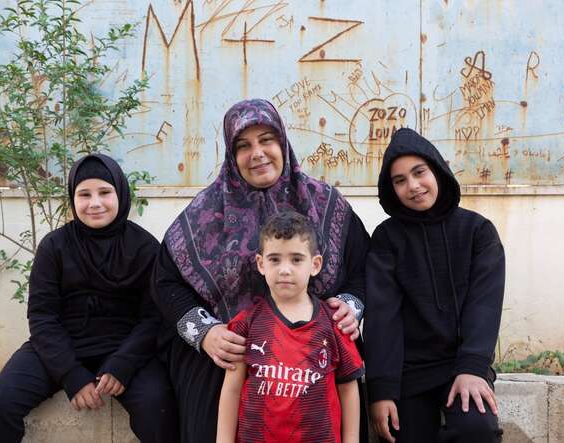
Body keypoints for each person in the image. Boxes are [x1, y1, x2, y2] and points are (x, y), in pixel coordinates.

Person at [152, 98, 369, 442]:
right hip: (230, 357)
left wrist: (351, 305)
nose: (257, 153)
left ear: (282, 142)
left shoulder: (325, 203)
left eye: (267, 139)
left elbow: (363, 266)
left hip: (315, 349)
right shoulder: (203, 214)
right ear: (230, 154)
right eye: (243, 145)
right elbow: (166, 284)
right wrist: (206, 334)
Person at [0, 154, 177, 443]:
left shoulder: (145, 248)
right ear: (73, 199)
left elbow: (154, 317)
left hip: (125, 347)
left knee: (158, 406)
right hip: (62, 345)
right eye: (84, 194)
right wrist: (71, 374)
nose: (95, 203)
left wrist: (124, 364)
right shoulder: (54, 246)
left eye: (105, 192)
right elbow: (43, 316)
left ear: (120, 193)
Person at [363, 128, 505, 443]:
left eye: (419, 172)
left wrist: (472, 367)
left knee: (476, 430)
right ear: (391, 188)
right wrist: (382, 390)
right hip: (408, 373)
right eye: (400, 181)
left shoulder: (478, 232)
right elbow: (383, 318)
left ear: (437, 170)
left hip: (461, 365)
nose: (413, 186)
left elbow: (485, 304)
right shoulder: (387, 239)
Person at [216, 211, 364, 443]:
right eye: (275, 259)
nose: (285, 269)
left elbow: (348, 389)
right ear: (261, 264)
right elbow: (232, 390)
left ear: (315, 264)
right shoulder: (246, 324)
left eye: (296, 259)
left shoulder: (334, 323)